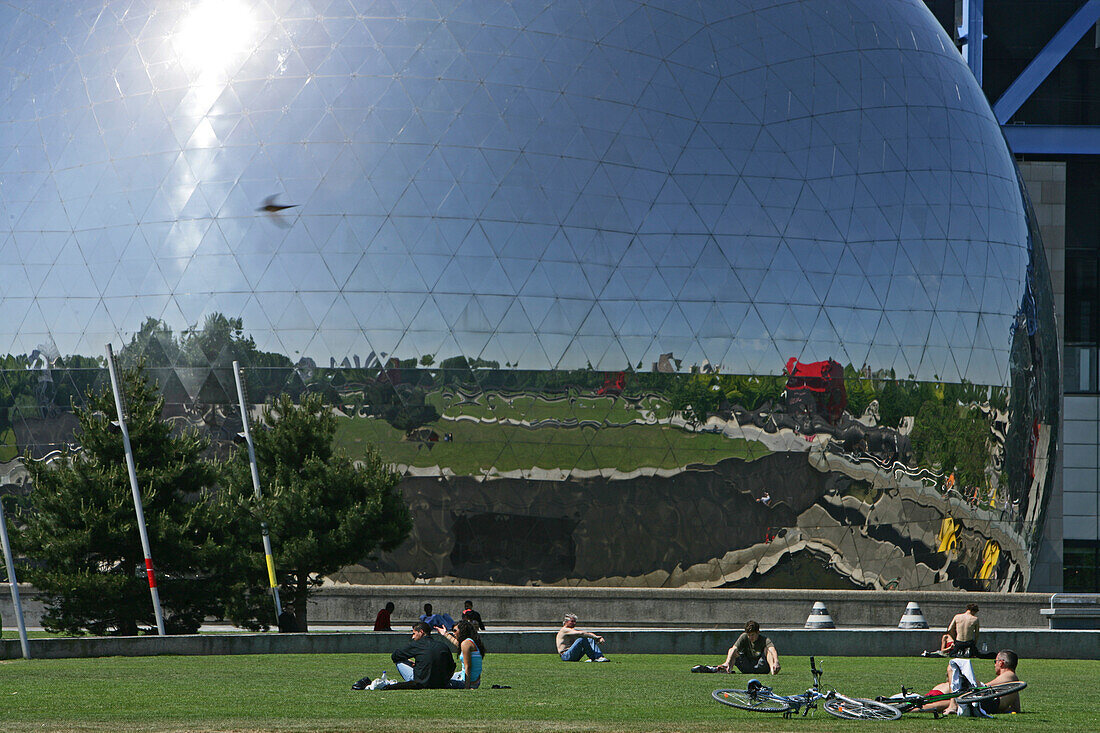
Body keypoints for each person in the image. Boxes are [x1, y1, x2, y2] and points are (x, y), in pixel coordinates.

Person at [375, 622, 456, 690]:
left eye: (414, 633)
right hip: (441, 682)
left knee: (399, 661)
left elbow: (395, 656)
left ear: (421, 632)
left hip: (421, 682)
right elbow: (452, 666)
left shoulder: (417, 645)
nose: (412, 637)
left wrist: (408, 661)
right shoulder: (442, 646)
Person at [946, 650, 1023, 715]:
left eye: (995, 661)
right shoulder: (1014, 680)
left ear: (1001, 663)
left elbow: (983, 687)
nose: (994, 665)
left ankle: (952, 705)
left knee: (952, 667)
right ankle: (940, 706)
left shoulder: (1008, 675)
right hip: (992, 704)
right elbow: (1016, 708)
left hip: (990, 703)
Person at [435, 619, 485, 689]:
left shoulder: (466, 643)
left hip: (468, 682)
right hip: (474, 681)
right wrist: (445, 633)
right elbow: (457, 644)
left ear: (462, 631)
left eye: (455, 631)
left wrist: (466, 687)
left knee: (439, 681)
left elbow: (468, 667)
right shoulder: (469, 642)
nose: (453, 633)